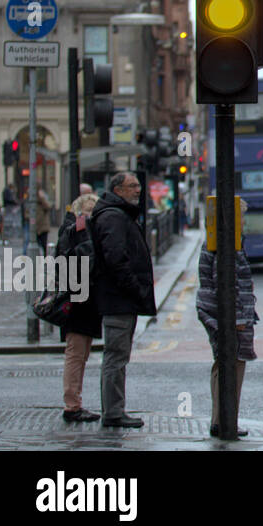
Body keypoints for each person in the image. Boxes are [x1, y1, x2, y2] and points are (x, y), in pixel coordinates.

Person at [90, 171, 156, 428]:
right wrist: (135, 289)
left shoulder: (117, 215)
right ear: (117, 190)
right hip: (118, 299)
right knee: (116, 357)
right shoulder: (113, 217)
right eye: (132, 186)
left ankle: (115, 410)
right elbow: (115, 259)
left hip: (120, 298)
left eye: (138, 185)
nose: (137, 190)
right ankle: (114, 413)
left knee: (118, 357)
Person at [197, 201, 258, 438]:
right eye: (241, 217)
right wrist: (238, 319)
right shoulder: (226, 243)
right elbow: (226, 284)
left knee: (221, 364)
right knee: (233, 365)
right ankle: (226, 420)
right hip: (229, 316)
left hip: (215, 312)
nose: (244, 222)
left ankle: (219, 419)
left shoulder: (216, 240)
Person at [58, 191, 102, 423]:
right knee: (76, 354)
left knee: (82, 354)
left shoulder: (82, 231)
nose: (90, 217)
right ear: (78, 213)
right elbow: (85, 261)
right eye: (86, 212)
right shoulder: (75, 231)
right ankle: (72, 405)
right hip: (77, 300)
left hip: (86, 300)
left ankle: (75, 402)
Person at [35, 187, 54, 256]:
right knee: (37, 245)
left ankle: (44, 259)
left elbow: (48, 206)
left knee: (43, 244)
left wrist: (42, 198)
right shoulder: (32, 201)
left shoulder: (42, 201)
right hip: (35, 226)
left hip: (42, 226)